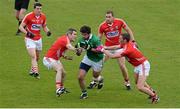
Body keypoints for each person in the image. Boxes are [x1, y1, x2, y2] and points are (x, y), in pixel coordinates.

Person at [96, 33, 159, 103]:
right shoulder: (126, 44)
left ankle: (155, 96)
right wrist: (105, 47)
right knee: (137, 81)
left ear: (125, 40)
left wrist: (103, 50)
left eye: (120, 39)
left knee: (140, 87)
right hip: (138, 66)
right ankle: (151, 91)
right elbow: (117, 47)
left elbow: (113, 56)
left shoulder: (128, 50)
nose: (118, 39)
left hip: (143, 65)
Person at [96, 10, 136, 90]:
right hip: (107, 48)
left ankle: (127, 82)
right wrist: (98, 46)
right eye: (106, 17)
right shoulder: (102, 26)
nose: (107, 18)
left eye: (109, 17)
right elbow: (99, 38)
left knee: (122, 65)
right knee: (98, 64)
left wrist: (133, 41)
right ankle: (96, 80)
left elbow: (128, 30)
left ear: (113, 17)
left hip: (119, 47)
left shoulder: (120, 22)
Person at [43, 28, 80, 96]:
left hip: (55, 59)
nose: (76, 36)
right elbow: (69, 46)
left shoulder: (65, 40)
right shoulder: (65, 39)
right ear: (69, 34)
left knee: (64, 74)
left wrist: (66, 57)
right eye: (74, 34)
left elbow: (61, 51)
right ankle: (58, 89)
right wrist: (76, 50)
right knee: (59, 69)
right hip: (48, 58)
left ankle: (61, 88)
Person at [19, 2, 51, 79]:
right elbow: (20, 27)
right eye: (37, 8)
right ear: (34, 9)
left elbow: (44, 26)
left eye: (40, 9)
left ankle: (31, 70)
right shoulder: (29, 16)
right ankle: (36, 72)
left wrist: (48, 31)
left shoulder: (43, 16)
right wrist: (28, 33)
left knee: (37, 57)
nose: (39, 10)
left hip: (38, 39)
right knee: (33, 56)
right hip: (29, 39)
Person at [77, 25, 104, 99]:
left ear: (89, 33)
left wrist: (89, 48)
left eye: (85, 34)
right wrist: (78, 51)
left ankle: (100, 79)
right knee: (80, 77)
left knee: (95, 76)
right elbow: (79, 53)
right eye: (82, 34)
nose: (83, 36)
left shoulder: (96, 39)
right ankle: (84, 93)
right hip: (88, 58)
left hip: (97, 60)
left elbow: (101, 51)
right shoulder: (81, 39)